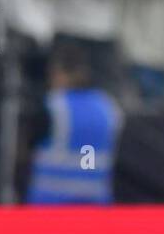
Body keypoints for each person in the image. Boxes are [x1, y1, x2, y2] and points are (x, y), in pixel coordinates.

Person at [24, 43, 123, 204]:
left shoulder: (53, 107)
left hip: (51, 209)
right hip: (95, 210)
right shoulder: (109, 108)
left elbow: (26, 150)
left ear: (59, 73)